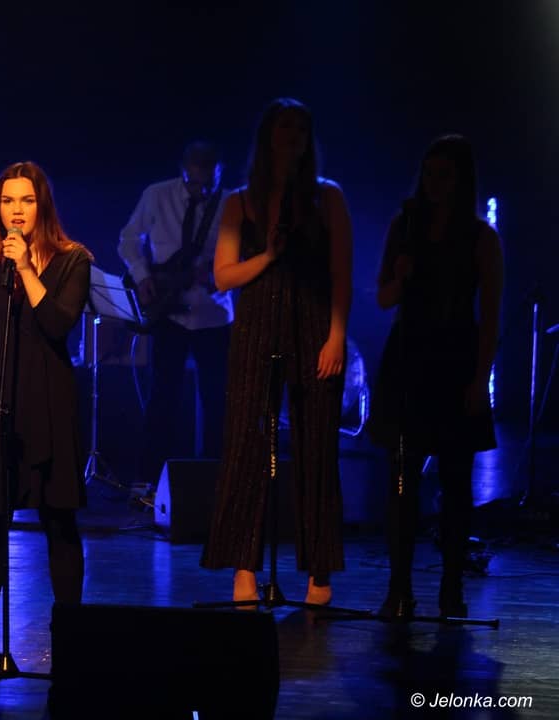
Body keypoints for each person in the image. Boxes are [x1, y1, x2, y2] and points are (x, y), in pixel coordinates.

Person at [200, 98, 353, 607]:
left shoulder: (328, 198)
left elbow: (341, 274)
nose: (293, 138)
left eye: (301, 130)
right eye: (284, 129)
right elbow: (223, 276)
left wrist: (336, 336)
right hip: (256, 326)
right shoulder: (240, 202)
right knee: (246, 444)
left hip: (314, 326)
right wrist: (267, 254)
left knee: (316, 448)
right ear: (267, 137)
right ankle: (244, 566)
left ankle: (319, 571)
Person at [0, 161, 92, 670]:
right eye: (8, 201)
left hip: (48, 405)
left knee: (59, 523)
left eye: (26, 201)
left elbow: (56, 323)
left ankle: (70, 640)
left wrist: (29, 269)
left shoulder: (74, 260)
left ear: (41, 206)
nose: (16, 210)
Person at [366, 135, 503, 619]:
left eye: (444, 175)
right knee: (402, 479)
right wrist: (401, 276)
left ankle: (450, 586)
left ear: (462, 179)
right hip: (409, 359)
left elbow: (490, 317)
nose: (433, 183)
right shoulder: (404, 226)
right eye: (428, 173)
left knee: (455, 482)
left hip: (455, 359)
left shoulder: (481, 238)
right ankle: (399, 587)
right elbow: (383, 298)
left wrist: (479, 378)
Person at [118, 142, 233, 495]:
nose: (202, 192)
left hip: (212, 314)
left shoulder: (232, 204)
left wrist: (218, 275)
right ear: (183, 172)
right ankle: (148, 482)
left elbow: (247, 255)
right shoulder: (157, 195)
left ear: (219, 174)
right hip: (167, 313)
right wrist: (143, 277)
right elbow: (128, 239)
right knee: (162, 398)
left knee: (217, 401)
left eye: (209, 184)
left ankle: (217, 483)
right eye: (194, 183)